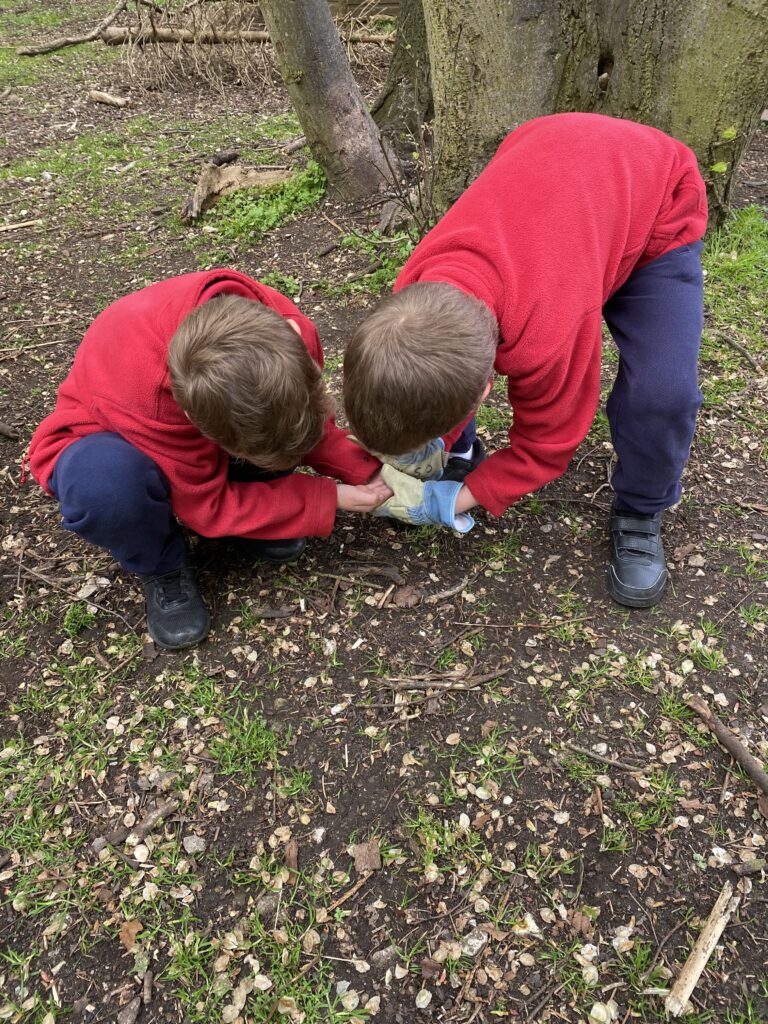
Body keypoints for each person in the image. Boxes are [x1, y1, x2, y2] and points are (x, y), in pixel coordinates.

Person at [344, 113, 708, 609]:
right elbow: (437, 369)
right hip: (551, 164)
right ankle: (457, 450)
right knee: (439, 371)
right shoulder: (413, 297)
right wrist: (436, 445)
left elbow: (547, 443)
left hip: (654, 202)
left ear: (486, 389)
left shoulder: (547, 330)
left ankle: (642, 509)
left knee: (663, 395)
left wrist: (456, 502)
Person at [27, 270, 390, 648]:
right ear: (196, 422)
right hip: (110, 439)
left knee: (269, 425)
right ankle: (161, 563)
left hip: (207, 419)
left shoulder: (289, 331)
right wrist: (327, 498)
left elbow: (306, 421)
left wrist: (367, 470)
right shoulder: (150, 394)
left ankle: (258, 508)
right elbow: (207, 503)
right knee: (108, 488)